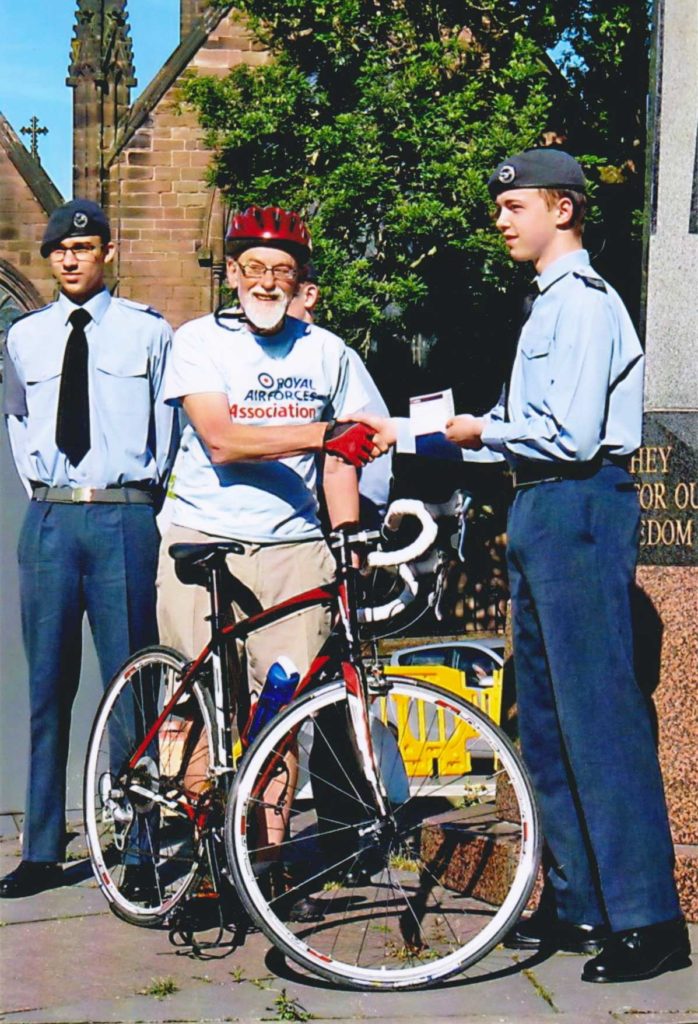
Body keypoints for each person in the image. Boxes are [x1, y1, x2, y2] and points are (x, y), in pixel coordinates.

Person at [354, 149, 690, 983]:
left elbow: (571, 436)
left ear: (564, 211)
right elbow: (523, 421)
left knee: (598, 721)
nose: (503, 218)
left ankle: (647, 916)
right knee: (542, 719)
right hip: (541, 504)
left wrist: (480, 432)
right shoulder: (544, 308)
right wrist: (420, 431)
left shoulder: (580, 304)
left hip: (577, 501)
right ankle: (578, 902)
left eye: (517, 205)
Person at [1, 199, 177, 899]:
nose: (70, 259)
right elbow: (19, 427)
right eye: (59, 251)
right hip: (51, 520)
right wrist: (50, 495)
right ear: (49, 259)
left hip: (123, 518)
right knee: (48, 688)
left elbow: (171, 430)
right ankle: (43, 847)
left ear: (108, 251)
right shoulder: (26, 339)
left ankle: (140, 847)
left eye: (84, 247)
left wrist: (138, 498)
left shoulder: (148, 333)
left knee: (131, 686)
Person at [156, 205, 382, 700]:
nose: (266, 284)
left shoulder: (328, 351)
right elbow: (222, 440)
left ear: (299, 279)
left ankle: (263, 779)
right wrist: (321, 433)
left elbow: (341, 460)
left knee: (284, 710)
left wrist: (347, 541)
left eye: (281, 270)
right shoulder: (199, 340)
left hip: (294, 549)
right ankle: (193, 780)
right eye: (254, 268)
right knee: (199, 708)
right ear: (233, 273)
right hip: (206, 539)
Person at [288, 262, 393, 527]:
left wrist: (367, 521)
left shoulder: (337, 356)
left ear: (309, 296)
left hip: (330, 514)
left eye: (284, 294)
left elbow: (371, 444)